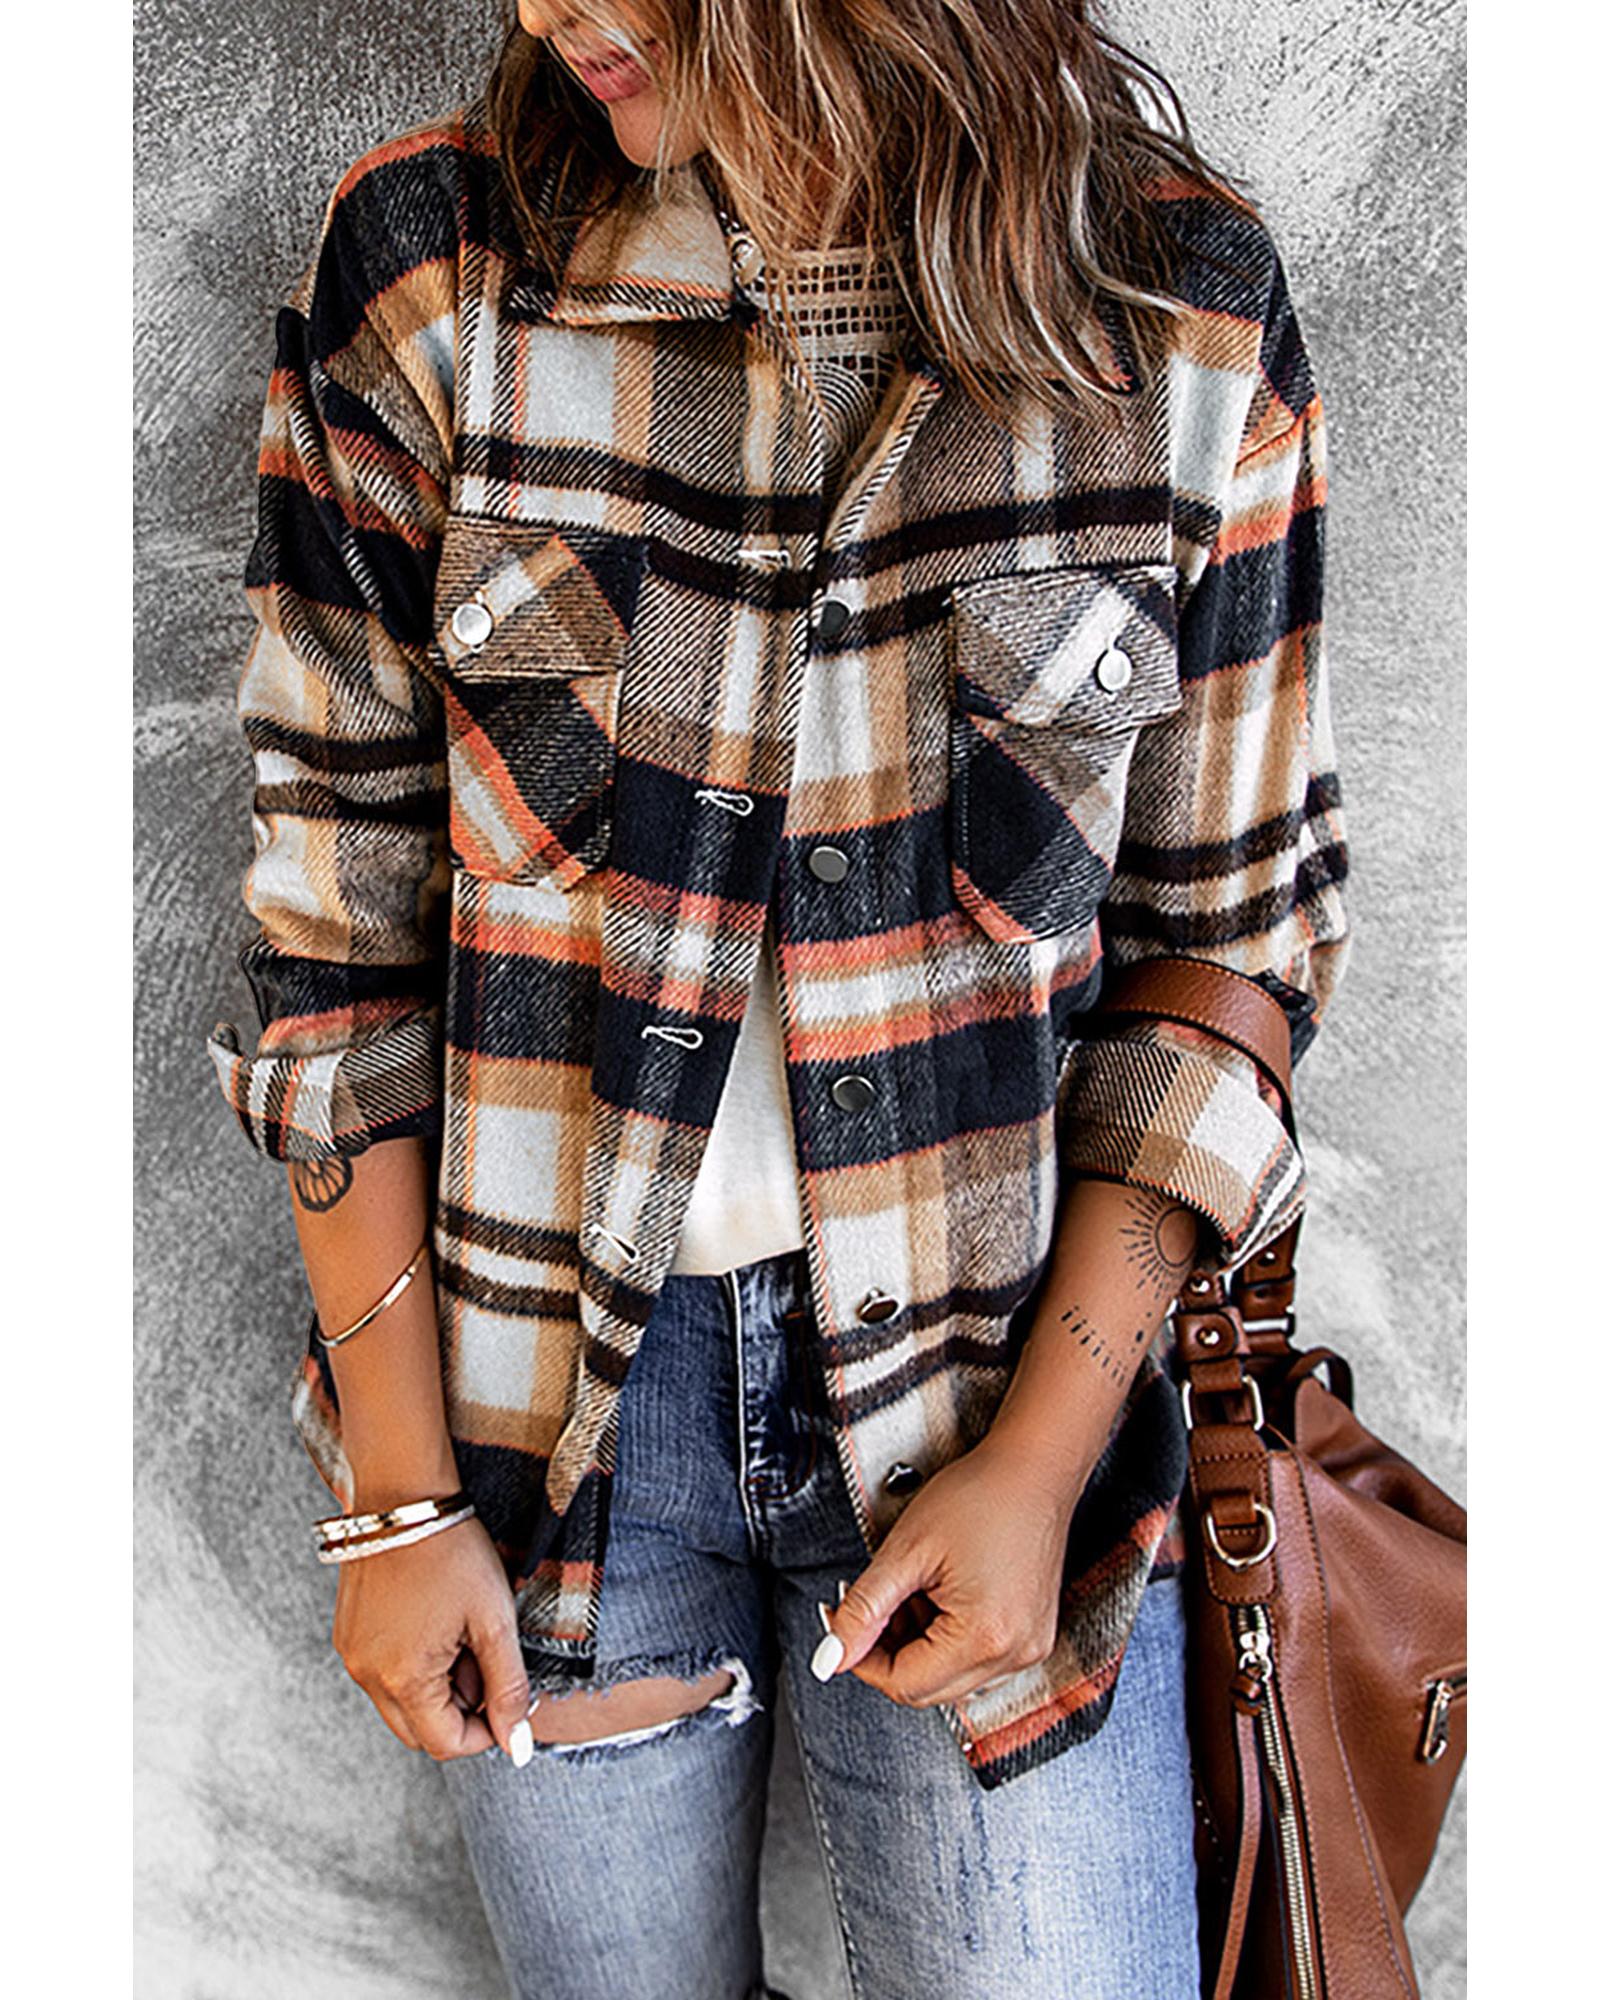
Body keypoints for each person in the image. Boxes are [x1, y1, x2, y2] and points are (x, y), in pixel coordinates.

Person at [206, 3, 1351, 1994]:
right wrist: (395, 1500)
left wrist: (1038, 1465)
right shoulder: (436, 271)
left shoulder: (1177, 313)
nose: (547, 12)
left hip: (994, 1391)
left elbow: (1224, 952)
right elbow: (334, 927)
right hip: (547, 1430)